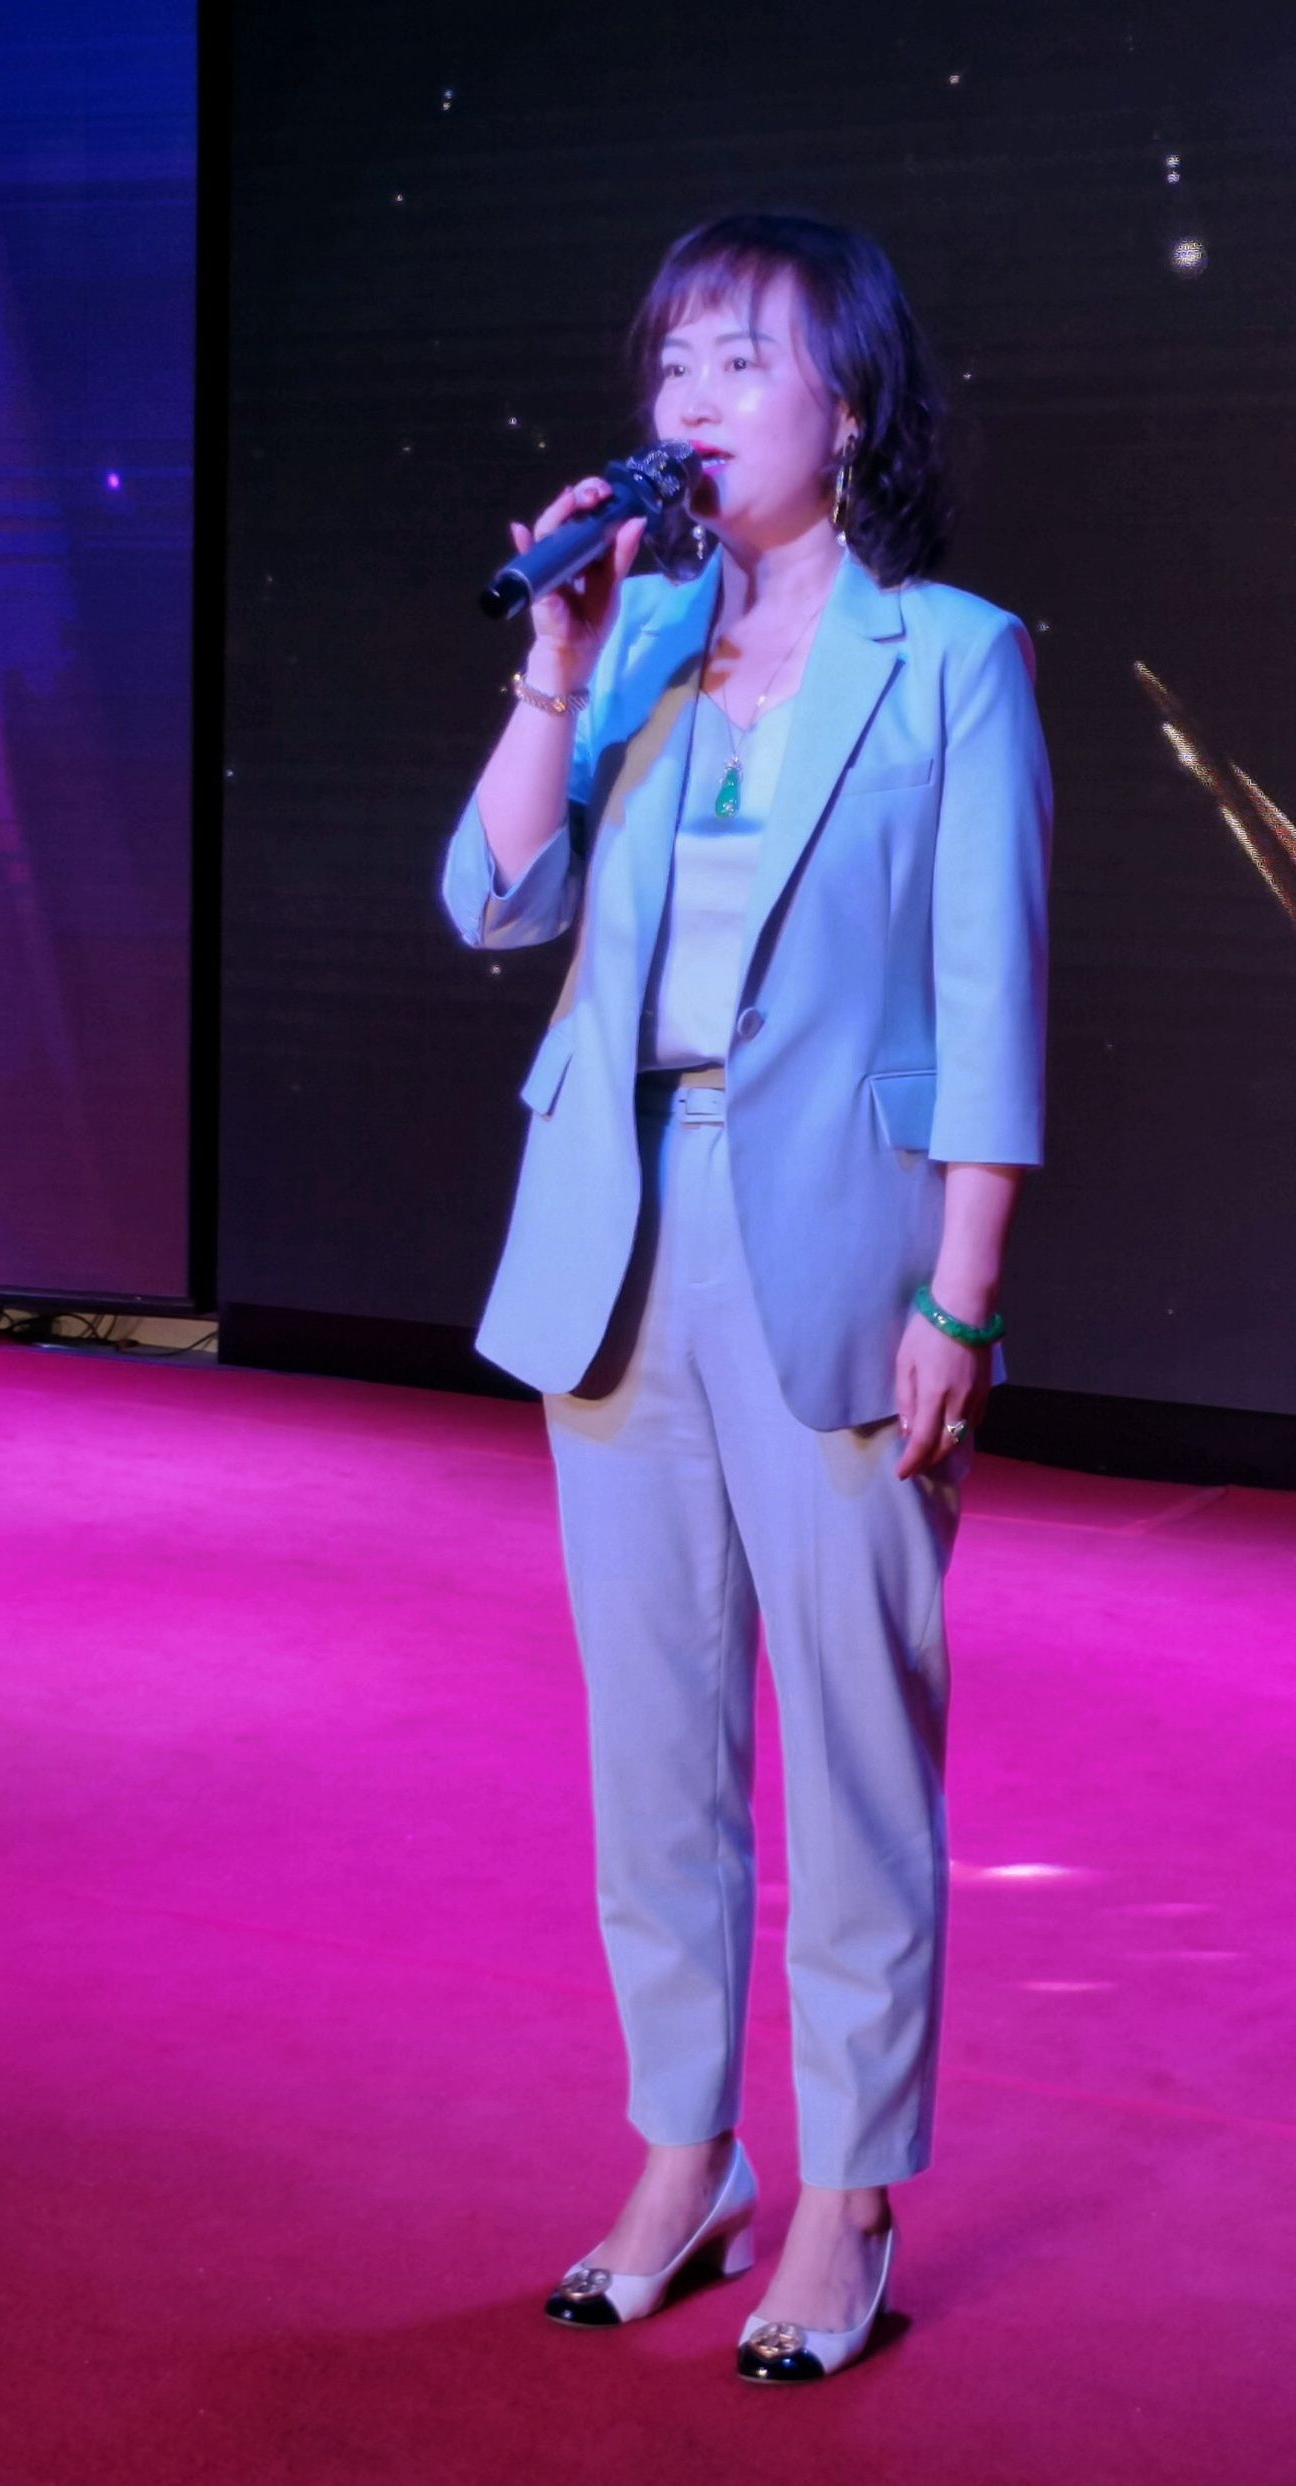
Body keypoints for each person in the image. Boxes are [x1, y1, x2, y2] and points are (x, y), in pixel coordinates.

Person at [441, 209, 1051, 2385]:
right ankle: (681, 2156)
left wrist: (960, 1296)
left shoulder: (950, 659)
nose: (689, 404)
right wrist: (561, 650)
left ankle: (850, 2192)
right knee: (653, 1746)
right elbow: (492, 898)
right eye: (672, 365)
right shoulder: (641, 639)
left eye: (741, 363)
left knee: (857, 1745)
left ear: (847, 408)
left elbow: (988, 997)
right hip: (618, 1231)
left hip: (842, 1246)